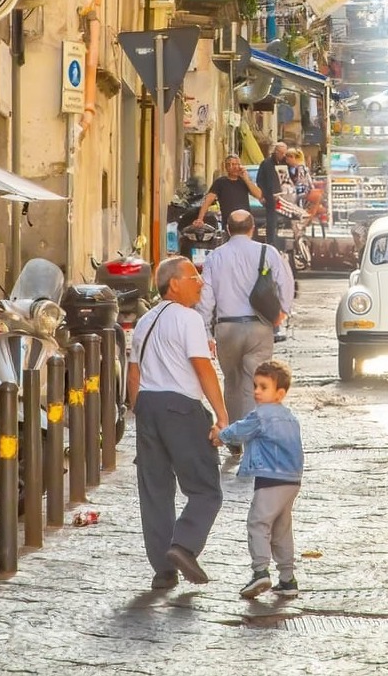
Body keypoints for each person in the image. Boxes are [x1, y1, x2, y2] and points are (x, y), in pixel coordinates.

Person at [126, 256, 231, 590]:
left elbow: (133, 372)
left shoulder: (145, 320)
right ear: (173, 284)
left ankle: (163, 571)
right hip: (181, 407)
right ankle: (184, 546)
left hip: (148, 406)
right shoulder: (188, 319)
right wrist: (222, 415)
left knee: (155, 490)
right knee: (206, 488)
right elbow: (202, 367)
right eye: (193, 277)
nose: (200, 282)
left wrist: (140, 410)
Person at [197, 210, 294, 454]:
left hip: (226, 328)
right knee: (256, 384)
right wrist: (283, 311)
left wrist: (206, 332)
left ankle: (234, 439)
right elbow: (286, 282)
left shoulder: (215, 257)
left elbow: (206, 297)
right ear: (253, 229)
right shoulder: (267, 252)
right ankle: (252, 439)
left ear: (228, 229)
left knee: (231, 382)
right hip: (259, 326)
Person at [217, 360, 304, 600]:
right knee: (282, 529)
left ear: (280, 394)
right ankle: (287, 578)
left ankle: (260, 571)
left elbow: (239, 431)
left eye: (263, 387)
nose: (256, 391)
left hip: (270, 478)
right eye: (255, 385)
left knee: (258, 523)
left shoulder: (261, 415)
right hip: (292, 480)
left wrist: (220, 435)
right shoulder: (290, 417)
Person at [198, 154, 263, 229]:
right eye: (229, 164)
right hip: (229, 223)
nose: (233, 167)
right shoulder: (220, 182)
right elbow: (208, 201)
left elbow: (259, 195)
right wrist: (200, 219)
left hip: (245, 222)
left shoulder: (244, 181)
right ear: (226, 167)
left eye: (235, 164)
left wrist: (246, 179)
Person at [258, 142, 290, 248]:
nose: (283, 155)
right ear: (276, 152)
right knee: (271, 220)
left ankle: (282, 243)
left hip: (284, 196)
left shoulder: (285, 163)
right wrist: (262, 195)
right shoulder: (266, 163)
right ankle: (271, 242)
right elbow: (260, 180)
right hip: (270, 197)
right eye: (281, 153)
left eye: (285, 153)